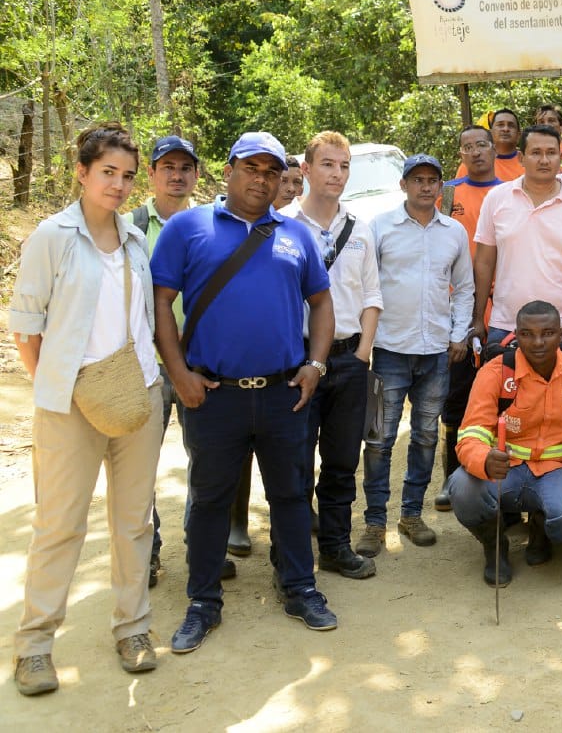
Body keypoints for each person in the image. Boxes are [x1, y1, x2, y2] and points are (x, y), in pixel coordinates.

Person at [152, 130, 339, 653]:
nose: (262, 179)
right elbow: (160, 303)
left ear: (283, 177)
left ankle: (300, 587)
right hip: (213, 395)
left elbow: (322, 303)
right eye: (252, 168)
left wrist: (316, 364)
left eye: (271, 171)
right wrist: (179, 373)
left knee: (290, 494)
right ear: (229, 169)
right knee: (210, 499)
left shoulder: (296, 235)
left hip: (283, 393)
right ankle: (203, 601)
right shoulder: (188, 228)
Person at [11, 123, 166, 695]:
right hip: (70, 404)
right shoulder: (52, 236)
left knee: (134, 524)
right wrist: (60, 388)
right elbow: (27, 327)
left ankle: (132, 630)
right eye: (108, 173)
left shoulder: (133, 239)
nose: (119, 185)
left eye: (127, 176)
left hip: (138, 394)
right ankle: (34, 646)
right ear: (81, 171)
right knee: (59, 526)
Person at [358, 154, 474, 557]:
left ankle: (410, 514)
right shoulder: (380, 228)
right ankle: (374, 522)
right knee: (378, 438)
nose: (425, 186)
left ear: (441, 186)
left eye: (432, 180)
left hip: (436, 353)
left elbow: (464, 288)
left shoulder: (454, 232)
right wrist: (366, 341)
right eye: (417, 179)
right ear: (403, 185)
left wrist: (459, 335)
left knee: (425, 437)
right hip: (388, 349)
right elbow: (366, 287)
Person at [281, 131, 383, 580]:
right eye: (327, 164)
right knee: (295, 462)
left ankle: (337, 546)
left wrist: (362, 353)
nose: (336, 174)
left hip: (348, 360)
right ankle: (291, 554)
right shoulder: (281, 225)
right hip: (297, 360)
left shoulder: (359, 229)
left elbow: (372, 295)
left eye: (343, 166)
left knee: (342, 460)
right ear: (305, 170)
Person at [448, 301, 562, 585]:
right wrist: (484, 458)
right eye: (527, 334)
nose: (537, 342)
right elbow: (470, 433)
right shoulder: (496, 372)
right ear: (516, 335)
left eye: (547, 333)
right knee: (461, 488)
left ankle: (540, 527)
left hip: (557, 471)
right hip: (504, 471)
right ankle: (494, 544)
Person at [131, 135, 218, 584]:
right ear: (151, 173)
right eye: (168, 167)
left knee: (205, 461)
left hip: (198, 363)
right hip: (144, 364)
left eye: (186, 167)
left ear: (197, 175)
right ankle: (146, 553)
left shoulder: (209, 226)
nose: (177, 175)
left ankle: (200, 548)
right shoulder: (129, 227)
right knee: (139, 464)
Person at [472, 125, 562, 355]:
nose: (544, 160)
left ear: (561, 157)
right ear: (521, 158)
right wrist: (478, 318)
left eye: (551, 152)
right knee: (506, 390)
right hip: (507, 324)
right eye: (536, 153)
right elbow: (484, 262)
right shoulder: (497, 199)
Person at [437, 126, 507, 511]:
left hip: (503, 307)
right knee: (457, 394)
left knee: (501, 394)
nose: (476, 152)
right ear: (461, 152)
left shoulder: (508, 192)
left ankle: (500, 473)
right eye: (468, 147)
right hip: (457, 306)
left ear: (494, 148)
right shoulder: (447, 193)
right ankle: (451, 477)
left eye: (482, 144)